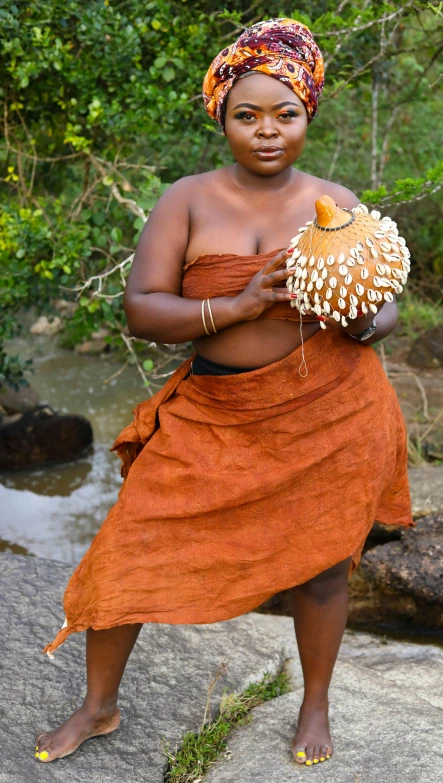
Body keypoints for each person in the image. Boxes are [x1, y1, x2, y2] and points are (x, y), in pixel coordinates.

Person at [36, 18, 414, 768]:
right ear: (222, 118)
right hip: (214, 412)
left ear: (308, 115)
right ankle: (98, 705)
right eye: (247, 115)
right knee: (129, 552)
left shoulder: (332, 201)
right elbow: (143, 309)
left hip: (328, 412)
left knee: (322, 567)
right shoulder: (187, 200)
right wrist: (235, 306)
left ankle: (313, 705)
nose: (267, 132)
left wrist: (368, 318)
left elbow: (386, 300)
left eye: (286, 114)